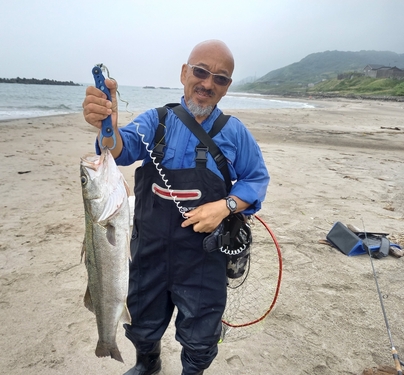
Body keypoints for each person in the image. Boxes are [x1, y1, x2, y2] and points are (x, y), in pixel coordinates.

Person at [82, 39, 270, 375]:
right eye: (201, 72)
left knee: (201, 334)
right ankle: (148, 363)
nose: (208, 83)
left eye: (220, 78)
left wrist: (226, 206)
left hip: (203, 256)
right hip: (149, 249)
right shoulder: (156, 122)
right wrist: (106, 124)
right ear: (184, 73)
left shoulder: (234, 132)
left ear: (227, 88)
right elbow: (118, 150)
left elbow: (256, 180)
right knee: (141, 318)